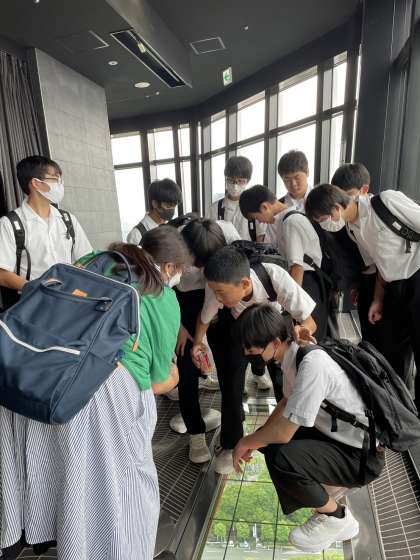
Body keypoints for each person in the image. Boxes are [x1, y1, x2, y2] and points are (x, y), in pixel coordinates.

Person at [0, 243, 181, 560]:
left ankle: (33, 535)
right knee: (121, 492)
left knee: (50, 473)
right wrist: (176, 376)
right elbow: (156, 381)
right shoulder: (161, 295)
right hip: (99, 394)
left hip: (29, 379)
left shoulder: (78, 266)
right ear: (168, 267)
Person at [233, 304, 384, 553]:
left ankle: (336, 516)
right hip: (339, 439)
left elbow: (284, 433)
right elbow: (286, 403)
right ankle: (326, 499)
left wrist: (245, 441)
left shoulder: (312, 363)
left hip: (361, 457)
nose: (250, 358)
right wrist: (257, 439)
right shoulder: (293, 356)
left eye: (252, 352)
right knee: (269, 445)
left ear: (274, 342)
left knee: (282, 457)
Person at [191, 246, 317, 474]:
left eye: (221, 293)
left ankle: (292, 437)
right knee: (231, 384)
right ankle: (231, 444)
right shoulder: (217, 287)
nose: (217, 298)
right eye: (214, 292)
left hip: (273, 332)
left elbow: (309, 321)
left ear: (245, 284)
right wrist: (198, 343)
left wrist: (300, 331)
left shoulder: (274, 276)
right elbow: (205, 317)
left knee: (285, 383)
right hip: (239, 331)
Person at [305, 183, 420, 408]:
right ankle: (404, 408)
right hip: (395, 286)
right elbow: (378, 265)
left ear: (336, 208)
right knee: (394, 350)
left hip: (417, 276)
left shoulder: (386, 201)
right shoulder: (352, 228)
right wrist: (378, 299)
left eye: (323, 219)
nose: (325, 225)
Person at [170, 217, 240, 463]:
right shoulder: (173, 242)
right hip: (185, 301)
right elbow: (160, 287)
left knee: (229, 365)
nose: (200, 268)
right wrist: (177, 325)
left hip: (220, 295)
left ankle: (232, 436)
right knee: (187, 368)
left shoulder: (228, 233)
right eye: (196, 263)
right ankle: (196, 434)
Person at [240, 184, 329, 340]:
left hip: (306, 282)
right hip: (306, 281)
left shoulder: (291, 222)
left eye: (257, 218)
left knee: (308, 337)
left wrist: (290, 307)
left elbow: (297, 266)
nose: (260, 222)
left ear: (265, 207)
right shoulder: (285, 220)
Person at [0, 155, 92, 304]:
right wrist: (37, 287)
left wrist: (80, 269)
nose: (60, 184)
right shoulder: (10, 223)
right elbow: (2, 274)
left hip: (70, 300)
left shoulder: (67, 219)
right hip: (34, 305)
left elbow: (86, 258)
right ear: (36, 183)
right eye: (55, 179)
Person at [330, 163, 382, 345]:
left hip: (395, 282)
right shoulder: (346, 222)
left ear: (364, 190)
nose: (342, 203)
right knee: (369, 336)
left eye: (347, 195)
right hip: (368, 282)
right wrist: (356, 285)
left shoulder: (381, 210)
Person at [206, 155, 266, 242]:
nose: (235, 185)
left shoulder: (256, 208)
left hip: (249, 250)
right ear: (225, 179)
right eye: (231, 180)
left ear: (248, 181)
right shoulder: (214, 209)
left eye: (240, 181)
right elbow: (208, 238)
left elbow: (261, 239)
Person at [126, 178, 182, 245]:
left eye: (174, 206)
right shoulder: (136, 235)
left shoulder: (173, 228)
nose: (172, 210)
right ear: (155, 203)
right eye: (168, 206)